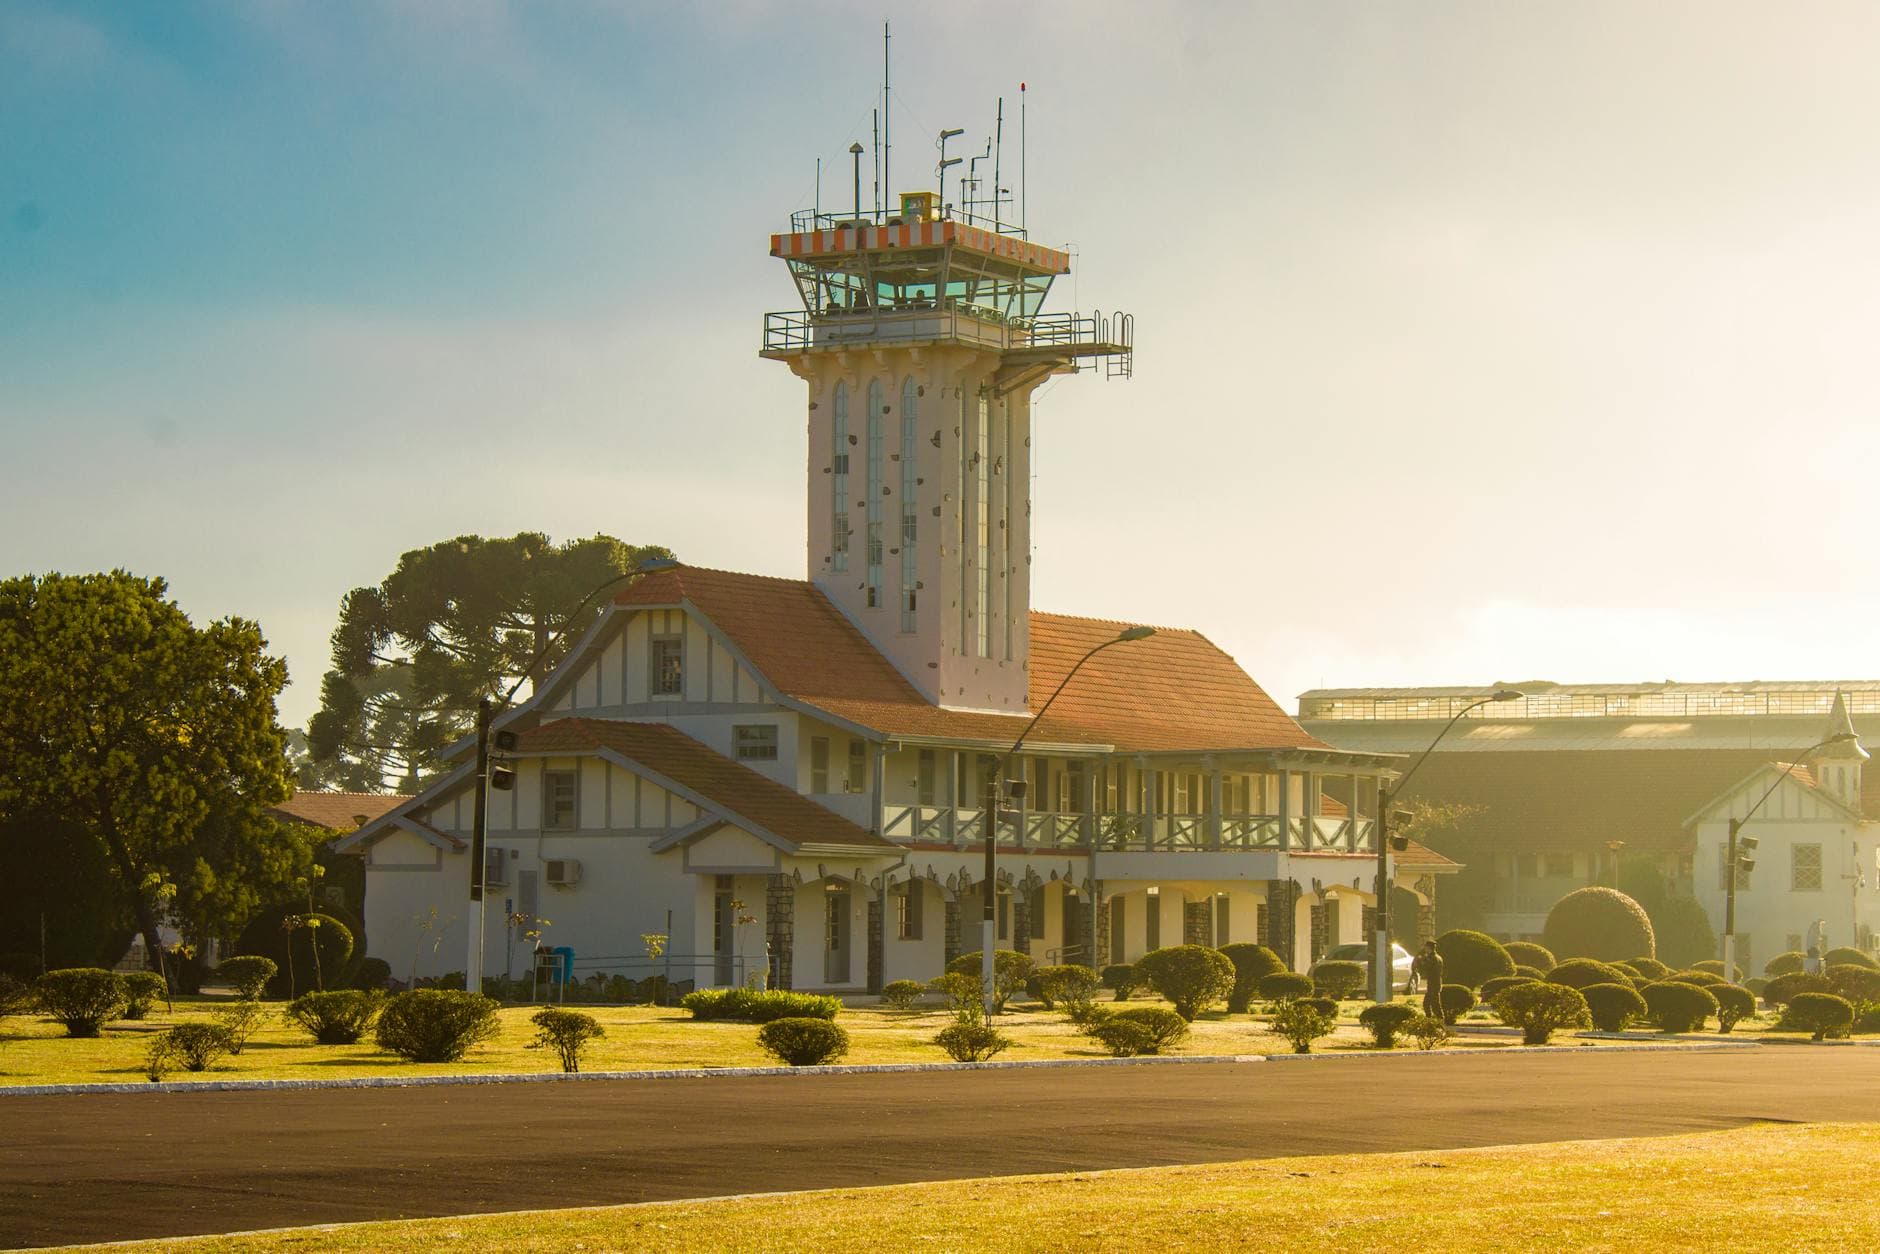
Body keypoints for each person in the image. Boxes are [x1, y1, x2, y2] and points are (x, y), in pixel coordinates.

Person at [1412, 941, 1446, 1020]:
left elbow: (1426, 968)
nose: (1425, 948)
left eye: (1426, 947)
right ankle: (1437, 1021)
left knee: (1429, 1004)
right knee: (1435, 1004)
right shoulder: (1438, 957)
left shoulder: (1432, 958)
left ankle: (1434, 1021)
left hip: (1433, 983)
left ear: (1429, 947)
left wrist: (1419, 961)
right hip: (1436, 982)